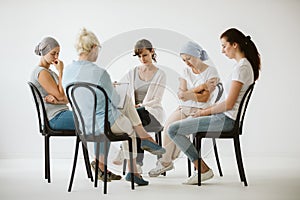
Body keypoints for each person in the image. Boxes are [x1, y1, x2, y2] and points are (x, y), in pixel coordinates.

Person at [63, 28, 165, 186]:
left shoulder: (68, 71)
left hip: (83, 125)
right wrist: (111, 87)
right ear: (94, 48)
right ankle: (134, 169)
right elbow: (116, 99)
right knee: (130, 123)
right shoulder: (99, 73)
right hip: (105, 124)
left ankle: (144, 138)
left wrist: (107, 88)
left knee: (127, 104)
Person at [168, 28, 261, 185]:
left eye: (224, 46)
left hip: (226, 120)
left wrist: (204, 112)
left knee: (173, 129)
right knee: (178, 126)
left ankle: (203, 169)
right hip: (223, 117)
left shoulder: (242, 68)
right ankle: (202, 168)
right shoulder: (242, 66)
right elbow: (226, 101)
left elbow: (229, 104)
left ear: (235, 45)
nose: (223, 51)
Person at [148, 41, 220, 177]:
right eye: (184, 60)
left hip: (201, 111)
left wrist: (188, 93)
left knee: (179, 130)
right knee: (168, 127)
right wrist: (199, 89)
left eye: (189, 58)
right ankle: (165, 162)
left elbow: (204, 98)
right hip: (183, 108)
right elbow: (180, 95)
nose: (187, 62)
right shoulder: (185, 71)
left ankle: (168, 161)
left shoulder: (211, 71)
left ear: (197, 55)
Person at [112, 39, 167, 173]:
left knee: (136, 115)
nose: (142, 59)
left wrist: (140, 105)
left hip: (153, 113)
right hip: (137, 114)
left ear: (152, 51)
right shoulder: (133, 72)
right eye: (139, 56)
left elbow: (156, 100)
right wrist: (114, 85)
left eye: (145, 55)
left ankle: (129, 155)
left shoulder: (160, 74)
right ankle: (138, 161)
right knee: (133, 117)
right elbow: (122, 87)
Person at [30, 37, 75, 131]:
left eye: (58, 53)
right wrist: (61, 71)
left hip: (61, 114)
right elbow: (62, 96)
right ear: (44, 53)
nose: (56, 57)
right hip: (54, 118)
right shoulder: (41, 72)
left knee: (92, 119)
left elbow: (66, 99)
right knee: (91, 120)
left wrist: (58, 101)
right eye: (53, 53)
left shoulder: (49, 72)